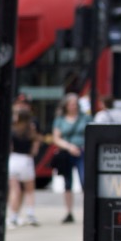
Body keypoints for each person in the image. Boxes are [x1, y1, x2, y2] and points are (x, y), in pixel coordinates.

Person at [47, 94, 87, 222]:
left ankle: (88, 211)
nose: (73, 106)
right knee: (67, 183)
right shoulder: (60, 119)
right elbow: (56, 138)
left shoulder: (85, 118)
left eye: (75, 103)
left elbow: (92, 134)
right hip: (66, 152)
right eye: (71, 103)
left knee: (85, 181)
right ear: (66, 106)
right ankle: (69, 212)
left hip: (82, 152)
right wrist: (70, 147)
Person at [5, 99, 39, 225]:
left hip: (13, 159)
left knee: (14, 189)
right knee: (29, 190)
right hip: (26, 160)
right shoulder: (31, 130)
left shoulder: (12, 130)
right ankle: (30, 214)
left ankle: (13, 216)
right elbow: (34, 150)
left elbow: (9, 147)